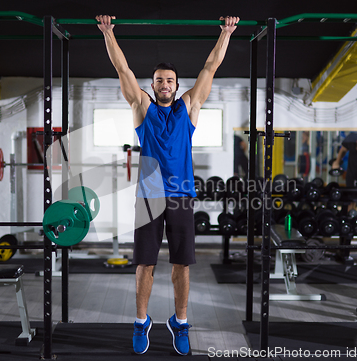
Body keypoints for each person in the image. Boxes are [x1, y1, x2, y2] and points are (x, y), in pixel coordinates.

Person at [96, 15, 239, 355]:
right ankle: (141, 320)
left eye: (170, 80)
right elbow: (122, 69)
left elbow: (210, 67)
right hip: (149, 198)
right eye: (159, 80)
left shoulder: (189, 106)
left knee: (182, 264)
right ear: (154, 84)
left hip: (181, 199)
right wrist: (108, 32)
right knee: (145, 263)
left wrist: (226, 32)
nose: (164, 84)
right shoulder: (142, 107)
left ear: (177, 85)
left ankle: (181, 321)